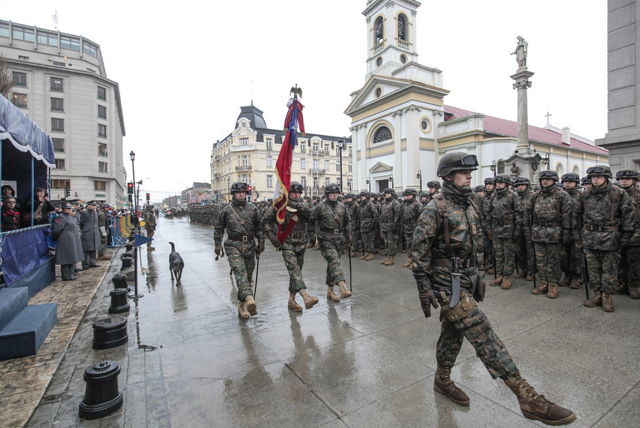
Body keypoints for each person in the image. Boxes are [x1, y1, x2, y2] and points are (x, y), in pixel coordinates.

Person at [412, 152, 576, 426]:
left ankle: (442, 380)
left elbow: (476, 243)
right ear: (449, 176)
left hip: (465, 279)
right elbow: (418, 252)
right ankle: (527, 397)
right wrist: (423, 286)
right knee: (481, 331)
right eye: (464, 173)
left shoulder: (471, 203)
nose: (470, 176)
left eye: (470, 173)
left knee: (453, 333)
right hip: (445, 283)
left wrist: (478, 275)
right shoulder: (435, 208)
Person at [574, 165, 636, 312]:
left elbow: (629, 215)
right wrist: (577, 235)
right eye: (593, 177)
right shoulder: (585, 194)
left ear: (606, 178)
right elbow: (576, 215)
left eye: (598, 177)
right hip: (590, 238)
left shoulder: (618, 193)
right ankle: (596, 294)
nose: (595, 179)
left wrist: (626, 236)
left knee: (609, 270)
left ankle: (607, 297)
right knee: (593, 269)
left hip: (611, 239)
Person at [262, 181, 319, 312]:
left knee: (297, 272)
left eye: (298, 192)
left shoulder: (304, 205)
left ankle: (291, 300)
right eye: (293, 192)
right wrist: (272, 237)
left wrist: (292, 204)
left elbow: (310, 213)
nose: (296, 194)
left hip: (301, 244)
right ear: (288, 193)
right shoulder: (278, 206)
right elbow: (265, 222)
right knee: (294, 270)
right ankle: (306, 296)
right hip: (287, 242)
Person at [214, 181, 264, 319]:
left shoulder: (253, 209)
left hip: (249, 245)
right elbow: (218, 227)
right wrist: (217, 244)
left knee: (247, 276)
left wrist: (261, 242)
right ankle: (249, 298)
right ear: (233, 194)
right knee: (239, 271)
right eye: (238, 192)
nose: (241, 194)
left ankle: (241, 306)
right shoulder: (226, 210)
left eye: (243, 192)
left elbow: (259, 227)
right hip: (233, 245)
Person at [526, 171, 573, 299]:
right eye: (543, 179)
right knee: (541, 260)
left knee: (553, 261)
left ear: (554, 180)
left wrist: (567, 234)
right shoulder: (536, 196)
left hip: (555, 233)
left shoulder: (562, 195)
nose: (545, 181)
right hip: (538, 232)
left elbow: (568, 217)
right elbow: (527, 213)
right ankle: (544, 282)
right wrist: (528, 231)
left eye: (548, 179)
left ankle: (553, 284)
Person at [308, 183, 352, 302]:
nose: (334, 195)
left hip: (339, 239)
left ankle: (330, 291)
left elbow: (348, 221)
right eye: (332, 193)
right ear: (327, 194)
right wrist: (312, 235)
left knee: (332, 265)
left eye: (336, 193)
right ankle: (342, 287)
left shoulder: (342, 206)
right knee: (334, 260)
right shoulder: (320, 207)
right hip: (325, 239)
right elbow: (311, 221)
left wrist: (349, 234)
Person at [485, 174, 523, 289]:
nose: (498, 185)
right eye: (497, 183)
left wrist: (518, 230)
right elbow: (488, 213)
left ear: (506, 184)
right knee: (498, 254)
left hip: (508, 229)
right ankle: (500, 274)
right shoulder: (493, 196)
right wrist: (489, 228)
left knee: (508, 254)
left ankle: (507, 276)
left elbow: (519, 214)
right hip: (496, 228)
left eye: (501, 183)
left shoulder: (513, 196)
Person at [615, 170, 640, 299]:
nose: (623, 181)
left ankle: (633, 285)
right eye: (621, 179)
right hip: (618, 232)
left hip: (636, 233)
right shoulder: (615, 194)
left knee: (634, 261)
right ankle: (621, 283)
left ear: (634, 180)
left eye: (627, 179)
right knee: (620, 260)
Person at [559, 173, 583, 289]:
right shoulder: (559, 195)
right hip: (563, 229)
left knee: (576, 255)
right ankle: (567, 275)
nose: (567, 183)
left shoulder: (581, 195)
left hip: (577, 230)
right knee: (564, 255)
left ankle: (576, 276)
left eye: (570, 181)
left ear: (576, 183)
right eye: (565, 181)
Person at [52, 202, 82, 281]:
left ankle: (71, 273)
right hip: (66, 240)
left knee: (72, 257)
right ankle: (67, 275)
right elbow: (57, 230)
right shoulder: (61, 218)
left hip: (72, 239)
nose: (69, 210)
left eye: (70, 209)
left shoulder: (70, 217)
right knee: (66, 258)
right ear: (63, 209)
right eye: (67, 209)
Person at [513, 177, 532, 280]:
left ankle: (531, 271)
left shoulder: (532, 196)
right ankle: (523, 269)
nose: (520, 187)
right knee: (520, 250)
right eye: (518, 185)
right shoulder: (515, 197)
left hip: (529, 228)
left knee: (530, 251)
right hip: (518, 227)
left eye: (522, 185)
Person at [400, 188, 422, 268]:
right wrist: (402, 227)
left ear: (413, 195)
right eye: (406, 195)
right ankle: (409, 260)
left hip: (415, 227)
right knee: (408, 244)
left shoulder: (418, 205)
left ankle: (415, 262)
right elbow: (402, 217)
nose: (407, 197)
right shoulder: (405, 205)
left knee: (415, 245)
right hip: (407, 227)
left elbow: (421, 218)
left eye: (409, 195)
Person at [379, 188, 401, 266]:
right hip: (384, 225)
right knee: (386, 242)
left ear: (392, 194)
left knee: (391, 242)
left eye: (388, 193)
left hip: (391, 225)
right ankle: (388, 256)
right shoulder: (384, 203)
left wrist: (395, 225)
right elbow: (380, 214)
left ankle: (392, 258)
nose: (387, 195)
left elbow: (397, 215)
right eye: (386, 193)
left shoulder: (395, 203)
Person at [79, 201, 101, 269]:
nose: (94, 207)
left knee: (93, 248)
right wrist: (84, 231)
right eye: (92, 205)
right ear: (88, 206)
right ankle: (85, 263)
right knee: (86, 249)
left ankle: (92, 262)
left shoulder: (95, 213)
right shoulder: (84, 213)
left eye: (95, 206)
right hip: (87, 233)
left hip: (94, 233)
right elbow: (81, 223)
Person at [358, 191, 378, 261]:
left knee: (370, 239)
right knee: (365, 240)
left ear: (367, 196)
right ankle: (367, 252)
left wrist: (373, 224)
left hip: (369, 224)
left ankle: (371, 253)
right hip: (363, 224)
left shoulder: (370, 204)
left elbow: (375, 215)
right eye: (362, 196)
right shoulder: (362, 205)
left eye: (364, 196)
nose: (362, 197)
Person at [343, 193, 360, 258]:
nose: (348, 199)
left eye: (349, 198)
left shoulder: (356, 205)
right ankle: (350, 250)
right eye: (348, 198)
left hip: (354, 224)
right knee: (348, 238)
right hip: (348, 224)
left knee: (354, 238)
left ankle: (354, 251)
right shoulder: (347, 205)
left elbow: (359, 216)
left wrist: (358, 225)